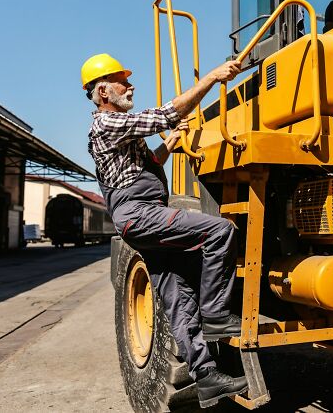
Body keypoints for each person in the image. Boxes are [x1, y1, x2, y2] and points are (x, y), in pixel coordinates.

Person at [83, 53, 246, 408]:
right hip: (140, 213)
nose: (130, 85)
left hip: (142, 214)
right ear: (103, 91)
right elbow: (165, 114)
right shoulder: (106, 124)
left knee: (177, 298)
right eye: (122, 81)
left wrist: (168, 145)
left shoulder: (121, 130)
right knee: (219, 232)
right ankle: (217, 314)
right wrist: (213, 78)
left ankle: (206, 379)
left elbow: (147, 165)